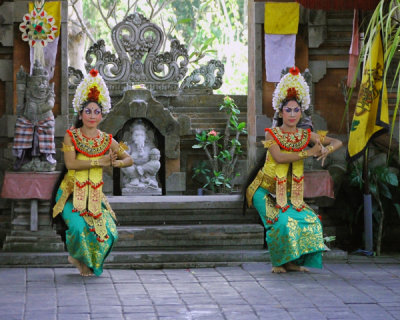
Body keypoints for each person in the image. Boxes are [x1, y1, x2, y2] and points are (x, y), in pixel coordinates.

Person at [245, 66, 342, 273]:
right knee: (280, 222)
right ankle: (278, 262)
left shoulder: (306, 135)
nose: (291, 114)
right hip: (264, 191)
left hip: (288, 193)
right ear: (280, 113)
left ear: (301, 113)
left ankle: (293, 262)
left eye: (296, 110)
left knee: (311, 221)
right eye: (287, 110)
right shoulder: (271, 134)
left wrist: (326, 150)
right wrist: (309, 153)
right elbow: (279, 157)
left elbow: (337, 141)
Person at [52, 69, 133, 276]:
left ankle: (85, 262)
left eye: (96, 112)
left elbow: (129, 158)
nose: (92, 115)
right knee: (79, 229)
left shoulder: (107, 139)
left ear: (101, 115)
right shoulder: (71, 136)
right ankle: (77, 257)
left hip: (95, 196)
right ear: (80, 114)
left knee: (109, 232)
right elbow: (71, 164)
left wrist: (115, 164)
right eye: (88, 111)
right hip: (71, 194)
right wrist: (100, 161)